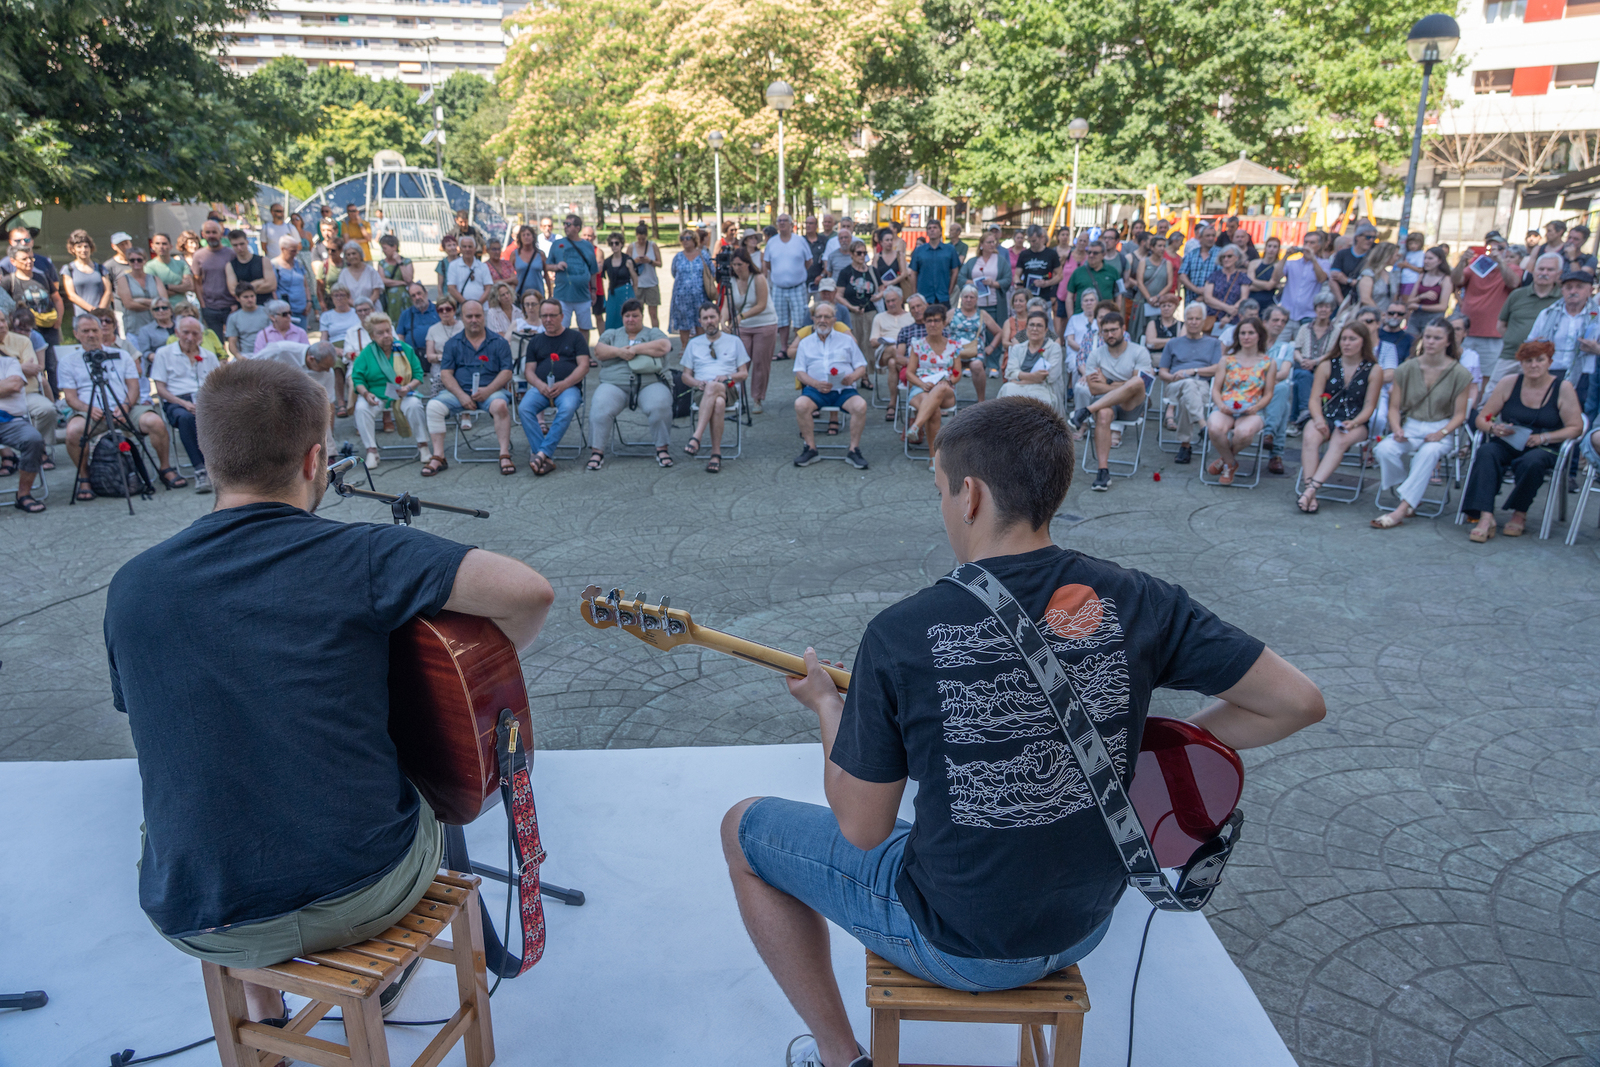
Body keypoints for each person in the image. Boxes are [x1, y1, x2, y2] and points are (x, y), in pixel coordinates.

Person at [728, 398, 1325, 1067]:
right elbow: (1296, 701)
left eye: (941, 491)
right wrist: (1156, 748)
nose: (945, 507)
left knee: (742, 829)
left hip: (958, 941)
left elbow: (861, 827)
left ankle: (841, 1056)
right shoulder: (1140, 598)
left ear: (972, 494)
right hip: (1084, 923)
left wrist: (825, 708)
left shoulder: (900, 634)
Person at [104, 355, 554, 1026]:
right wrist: (456, 677)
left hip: (195, 908)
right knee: (430, 804)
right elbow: (529, 592)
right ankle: (389, 972)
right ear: (316, 460)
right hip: (359, 892)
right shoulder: (365, 556)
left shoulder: (132, 584)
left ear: (206, 451)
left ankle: (264, 1011)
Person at [1461, 340, 1584, 541]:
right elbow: (1483, 418)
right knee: (1487, 452)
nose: (1533, 365)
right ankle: (1485, 516)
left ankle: (1520, 512)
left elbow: (1576, 427)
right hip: (1511, 440)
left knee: (1532, 462)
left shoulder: (1563, 387)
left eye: (1539, 360)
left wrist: (1544, 437)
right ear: (1521, 363)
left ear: (1549, 362)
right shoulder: (1509, 383)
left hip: (1545, 444)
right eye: (1528, 361)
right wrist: (1494, 427)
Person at [59, 315, 182, 498]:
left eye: (95, 330)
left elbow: (133, 386)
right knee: (73, 431)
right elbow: (70, 397)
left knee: (155, 422)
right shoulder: (68, 361)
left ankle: (165, 468)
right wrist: (88, 409)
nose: (91, 335)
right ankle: (84, 478)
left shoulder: (122, 355)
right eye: (86, 331)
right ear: (76, 334)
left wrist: (125, 405)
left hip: (125, 408)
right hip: (91, 412)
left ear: (102, 332)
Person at [1370, 321, 1473, 529]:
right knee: (1384, 449)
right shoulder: (1407, 368)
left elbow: (1460, 415)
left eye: (1437, 338)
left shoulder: (1460, 373)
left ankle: (1401, 510)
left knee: (1428, 453)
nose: (1431, 342)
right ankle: (1408, 494)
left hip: (1442, 425)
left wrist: (1441, 432)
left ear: (1447, 342)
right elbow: (1394, 407)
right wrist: (1397, 427)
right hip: (1412, 424)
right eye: (1428, 337)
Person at [1296, 322, 1383, 514]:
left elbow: (1370, 406)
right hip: (1326, 414)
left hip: (1354, 420)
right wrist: (1318, 419)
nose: (1347, 343)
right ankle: (1311, 493)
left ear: (1363, 342)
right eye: (1344, 339)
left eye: (1352, 339)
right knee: (1310, 435)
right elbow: (1314, 399)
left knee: (1340, 439)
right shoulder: (1327, 365)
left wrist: (1355, 422)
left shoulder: (1374, 370)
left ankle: (1310, 490)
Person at [424, 300, 516, 477]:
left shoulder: (499, 342)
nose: (474, 320)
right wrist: (461, 396)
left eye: (478, 315)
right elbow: (446, 374)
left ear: (484, 317)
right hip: (459, 392)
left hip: (491, 391)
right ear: (462, 318)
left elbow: (506, 372)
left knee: (500, 405)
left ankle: (504, 453)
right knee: (433, 407)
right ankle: (438, 456)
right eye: (469, 316)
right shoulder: (453, 343)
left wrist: (488, 390)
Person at [586, 298, 674, 471]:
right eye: (627, 316)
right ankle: (597, 451)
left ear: (642, 316)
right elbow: (599, 351)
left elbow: (664, 346)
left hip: (649, 383)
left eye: (635, 315)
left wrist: (635, 349)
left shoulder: (653, 333)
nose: (631, 319)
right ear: (622, 317)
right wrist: (620, 352)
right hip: (615, 384)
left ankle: (662, 448)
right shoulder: (611, 333)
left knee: (660, 405)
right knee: (600, 405)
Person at [1068, 312, 1151, 492]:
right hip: (1105, 403)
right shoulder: (1096, 355)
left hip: (1132, 404)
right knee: (1104, 414)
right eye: (1105, 331)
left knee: (1137, 382)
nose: (1110, 335)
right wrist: (1122, 385)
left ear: (1123, 329)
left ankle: (1086, 411)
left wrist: (1107, 382)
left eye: (1114, 330)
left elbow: (1140, 386)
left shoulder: (1138, 351)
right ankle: (1103, 471)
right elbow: (1093, 389)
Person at [789, 301, 869, 471]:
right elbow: (800, 372)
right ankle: (810, 448)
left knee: (860, 406)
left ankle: (854, 450)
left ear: (834, 319)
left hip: (843, 389)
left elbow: (862, 366)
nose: (822, 320)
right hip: (815, 390)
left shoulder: (846, 340)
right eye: (819, 316)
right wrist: (815, 383)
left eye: (827, 316)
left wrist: (853, 376)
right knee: (800, 404)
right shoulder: (805, 342)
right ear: (813, 318)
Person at [674, 302, 748, 474]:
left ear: (719, 318)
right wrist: (697, 383)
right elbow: (685, 376)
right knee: (719, 403)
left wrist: (729, 377)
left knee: (715, 387)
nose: (709, 321)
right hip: (702, 390)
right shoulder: (694, 343)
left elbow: (743, 374)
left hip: (728, 387)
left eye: (712, 317)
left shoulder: (734, 341)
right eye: (705, 318)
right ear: (700, 321)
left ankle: (696, 437)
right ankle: (716, 454)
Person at [519, 298, 590, 474]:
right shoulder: (535, 341)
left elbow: (584, 365)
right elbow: (529, 371)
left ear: (562, 316)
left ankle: (541, 454)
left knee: (567, 407)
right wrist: (540, 385)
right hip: (541, 388)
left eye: (552, 315)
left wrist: (565, 383)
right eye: (544, 316)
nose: (548, 319)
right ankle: (544, 456)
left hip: (569, 388)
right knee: (524, 408)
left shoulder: (575, 337)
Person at [150, 316, 220, 493]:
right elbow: (160, 389)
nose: (190, 337)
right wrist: (184, 403)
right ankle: (200, 469)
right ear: (177, 333)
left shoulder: (209, 356)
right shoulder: (164, 354)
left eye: (195, 333)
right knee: (186, 417)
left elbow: (217, 386)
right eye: (186, 332)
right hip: (176, 401)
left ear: (201, 336)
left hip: (204, 400)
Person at [350, 312, 429, 468]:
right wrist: (366, 394)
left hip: (403, 393)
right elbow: (357, 379)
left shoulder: (405, 349)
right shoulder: (367, 353)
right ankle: (372, 451)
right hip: (376, 396)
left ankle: (423, 446)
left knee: (414, 405)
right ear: (372, 336)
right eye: (380, 333)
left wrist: (408, 387)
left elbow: (419, 375)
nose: (386, 335)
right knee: (361, 408)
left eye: (388, 331)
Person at [1204, 319, 1276, 484]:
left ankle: (1225, 460)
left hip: (1252, 409)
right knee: (1214, 428)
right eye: (1243, 333)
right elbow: (1216, 389)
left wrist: (1256, 407)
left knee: (1243, 433)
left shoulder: (1268, 363)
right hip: (1226, 406)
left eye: (1251, 333)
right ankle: (1230, 463)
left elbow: (1269, 393)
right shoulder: (1226, 360)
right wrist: (1221, 405)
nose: (1246, 337)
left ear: (1259, 336)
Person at [1158, 303, 1222, 465]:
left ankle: (1185, 446)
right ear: (1185, 320)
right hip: (1175, 386)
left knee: (1190, 390)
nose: (1193, 322)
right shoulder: (1173, 343)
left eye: (1197, 318)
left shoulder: (1213, 343)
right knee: (1188, 386)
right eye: (1190, 318)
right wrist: (1174, 377)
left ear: (1203, 321)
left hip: (1201, 386)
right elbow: (1162, 371)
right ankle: (1202, 424)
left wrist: (1193, 371)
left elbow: (1217, 368)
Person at [1451, 233, 1521, 378]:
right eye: (1490, 247)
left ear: (1506, 251)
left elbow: (1513, 283)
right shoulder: (1476, 264)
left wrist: (1501, 262)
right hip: (1467, 332)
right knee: (1458, 373)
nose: (1494, 251)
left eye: (1499, 248)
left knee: (1487, 376)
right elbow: (1457, 280)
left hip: (1492, 334)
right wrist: (1462, 261)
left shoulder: (1512, 268)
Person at [1490, 253, 1564, 388]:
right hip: (1511, 355)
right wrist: (1513, 340)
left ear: (1559, 274)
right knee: (1492, 395)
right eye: (1541, 269)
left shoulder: (1562, 300)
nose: (1544, 273)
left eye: (1550, 270)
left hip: (1542, 361)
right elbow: (1501, 325)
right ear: (1534, 271)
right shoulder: (1517, 295)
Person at [903, 303, 961, 466]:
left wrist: (949, 381)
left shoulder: (953, 345)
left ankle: (916, 426)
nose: (932, 324)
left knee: (941, 387)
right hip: (921, 389)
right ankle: (933, 459)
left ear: (944, 323)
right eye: (929, 321)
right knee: (933, 410)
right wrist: (922, 384)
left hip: (946, 391)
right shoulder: (918, 344)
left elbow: (957, 372)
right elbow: (909, 373)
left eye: (936, 320)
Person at [1525, 269, 1600, 395]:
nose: (1573, 291)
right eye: (1568, 287)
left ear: (1590, 291)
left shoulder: (1597, 315)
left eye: (1579, 287)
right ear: (1562, 291)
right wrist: (1538, 345)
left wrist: (1596, 349)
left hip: (1585, 375)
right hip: (1550, 372)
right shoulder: (1547, 314)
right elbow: (1530, 344)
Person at [0, 324, 47, 512]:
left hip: (11, 420)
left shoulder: (9, 362)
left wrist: (7, 385)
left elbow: (13, 385)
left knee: (33, 439)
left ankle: (23, 494)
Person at [727, 249, 777, 415]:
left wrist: (742, 316)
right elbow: (727, 303)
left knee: (760, 362)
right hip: (743, 326)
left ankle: (757, 398)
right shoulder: (732, 280)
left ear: (748, 263)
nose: (736, 268)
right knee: (740, 362)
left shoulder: (758, 278)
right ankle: (738, 398)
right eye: (733, 264)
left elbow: (761, 304)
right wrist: (723, 320)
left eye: (739, 264)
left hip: (764, 323)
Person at [1289, 291, 1341, 429]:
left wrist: (1315, 362)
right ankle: (1305, 412)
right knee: (1303, 375)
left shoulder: (1336, 330)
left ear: (1331, 309)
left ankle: (1299, 417)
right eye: (1320, 306)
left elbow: (1333, 352)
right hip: (1303, 364)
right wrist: (1302, 361)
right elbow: (1296, 349)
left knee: (1305, 378)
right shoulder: (1304, 328)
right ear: (1315, 308)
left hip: (1323, 365)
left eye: (1327, 307)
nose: (1323, 310)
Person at [766, 213, 815, 354]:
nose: (782, 223)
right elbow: (768, 263)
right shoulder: (772, 242)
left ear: (790, 224)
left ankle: (797, 347)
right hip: (779, 287)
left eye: (784, 221)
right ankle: (783, 348)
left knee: (799, 319)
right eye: (779, 221)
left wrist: (796, 273)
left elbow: (809, 261)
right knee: (781, 320)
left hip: (797, 287)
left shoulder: (799, 241)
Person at [996, 309, 1061, 408]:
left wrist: (1021, 380)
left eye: (1039, 325)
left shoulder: (1054, 348)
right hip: (1017, 386)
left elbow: (1050, 377)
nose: (1034, 329)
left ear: (1046, 330)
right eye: (1031, 325)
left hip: (1043, 387)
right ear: (1026, 328)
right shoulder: (1017, 348)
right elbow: (1010, 373)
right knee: (1007, 390)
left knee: (1043, 403)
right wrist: (1036, 376)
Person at [547, 214, 598, 336]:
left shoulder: (587, 246)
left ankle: (584, 352)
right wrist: (556, 267)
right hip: (563, 295)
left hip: (583, 296)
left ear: (577, 228)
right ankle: (563, 353)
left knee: (584, 327)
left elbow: (593, 271)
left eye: (568, 224)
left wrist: (594, 291)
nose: (565, 226)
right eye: (565, 224)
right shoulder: (556, 244)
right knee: (561, 328)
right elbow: (547, 265)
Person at [869, 286, 914, 419]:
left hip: (907, 352)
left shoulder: (911, 316)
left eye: (893, 300)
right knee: (894, 349)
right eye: (887, 301)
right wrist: (887, 341)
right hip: (884, 351)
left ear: (901, 300)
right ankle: (909, 373)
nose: (890, 304)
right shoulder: (879, 317)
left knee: (893, 363)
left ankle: (892, 403)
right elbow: (872, 342)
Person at [3, 247, 64, 346]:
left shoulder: (42, 277)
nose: (29, 261)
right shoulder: (8, 281)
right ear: (13, 261)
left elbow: (57, 299)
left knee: (51, 360)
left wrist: (59, 319)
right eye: (24, 259)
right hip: (23, 331)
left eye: (31, 258)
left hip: (48, 329)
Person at [1274, 230, 1336, 325]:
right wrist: (1285, 256)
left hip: (1309, 315)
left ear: (1318, 246)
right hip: (1287, 314)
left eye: (1312, 243)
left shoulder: (1324, 263)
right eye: (1306, 242)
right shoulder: (1292, 262)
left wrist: (1313, 259)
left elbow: (1321, 278)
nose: (1308, 245)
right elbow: (1276, 278)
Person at [669, 229, 716, 347]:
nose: (685, 241)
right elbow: (674, 272)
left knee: (700, 321)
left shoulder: (703, 255)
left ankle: (701, 345)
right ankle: (685, 346)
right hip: (682, 297)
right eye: (682, 239)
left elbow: (712, 272)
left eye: (688, 238)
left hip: (701, 296)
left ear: (694, 240)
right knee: (683, 324)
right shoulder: (678, 257)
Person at [835, 240, 880, 362]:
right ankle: (857, 374)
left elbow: (883, 289)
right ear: (851, 254)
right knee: (855, 344)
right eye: (859, 253)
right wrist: (851, 307)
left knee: (869, 346)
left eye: (864, 253)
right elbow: (838, 295)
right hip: (853, 314)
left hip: (870, 312)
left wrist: (878, 296)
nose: (862, 256)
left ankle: (866, 376)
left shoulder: (872, 271)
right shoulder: (845, 272)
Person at [115, 247, 168, 338]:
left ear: (145, 261)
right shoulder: (123, 280)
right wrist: (155, 305)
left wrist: (141, 300)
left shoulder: (155, 279)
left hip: (157, 328)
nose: (136, 262)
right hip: (134, 329)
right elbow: (129, 304)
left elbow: (165, 302)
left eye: (139, 260)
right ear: (128, 262)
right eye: (132, 260)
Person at [63, 230, 112, 323]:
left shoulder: (101, 268)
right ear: (73, 249)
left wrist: (100, 311)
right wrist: (92, 310)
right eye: (79, 247)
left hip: (103, 317)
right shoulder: (68, 269)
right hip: (82, 317)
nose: (83, 250)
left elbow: (108, 291)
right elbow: (72, 295)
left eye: (86, 246)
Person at [909, 220, 962, 308]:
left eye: (935, 228)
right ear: (927, 232)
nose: (932, 230)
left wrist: (950, 291)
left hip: (943, 295)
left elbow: (955, 271)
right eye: (929, 228)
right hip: (924, 295)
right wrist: (915, 294)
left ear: (940, 231)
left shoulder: (949, 250)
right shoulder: (919, 250)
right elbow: (913, 273)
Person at [1066, 240, 1120, 322]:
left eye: (1095, 253)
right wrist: (1071, 319)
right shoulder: (1078, 272)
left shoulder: (1113, 271)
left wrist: (1116, 316)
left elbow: (1119, 296)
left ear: (1103, 254)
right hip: (1081, 318)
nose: (1091, 255)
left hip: (1105, 318)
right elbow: (1069, 296)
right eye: (1089, 252)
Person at [1405, 246, 1453, 337]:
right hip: (1416, 317)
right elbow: (1409, 301)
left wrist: (1419, 306)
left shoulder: (1446, 279)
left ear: (1440, 261)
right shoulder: (1422, 276)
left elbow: (1443, 306)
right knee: (1409, 342)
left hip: (1433, 318)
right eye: (1425, 258)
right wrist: (1421, 297)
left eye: (1430, 258)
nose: (1426, 261)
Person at [225, 228, 276, 312]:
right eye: (235, 245)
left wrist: (243, 290)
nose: (239, 248)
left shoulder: (263, 261)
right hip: (245, 310)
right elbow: (233, 290)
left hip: (266, 306)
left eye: (242, 244)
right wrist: (258, 282)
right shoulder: (230, 266)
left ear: (247, 242)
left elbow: (272, 285)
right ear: (231, 245)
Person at [1202, 245, 1250, 333]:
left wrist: (1229, 316)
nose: (1226, 259)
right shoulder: (1214, 276)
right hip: (1214, 318)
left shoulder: (1242, 277)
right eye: (1223, 257)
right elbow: (1208, 298)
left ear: (1237, 258)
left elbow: (1244, 299)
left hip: (1234, 319)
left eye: (1229, 256)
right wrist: (1227, 308)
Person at [600, 233, 638, 331]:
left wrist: (634, 296)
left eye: (616, 243)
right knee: (611, 320)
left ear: (621, 244)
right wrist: (605, 299)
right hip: (612, 293)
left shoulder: (628, 260)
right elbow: (603, 279)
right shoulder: (607, 261)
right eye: (611, 243)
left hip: (626, 291)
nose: (614, 246)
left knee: (627, 318)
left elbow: (635, 279)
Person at [628, 223, 663, 328]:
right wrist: (635, 261)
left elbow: (660, 263)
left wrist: (650, 261)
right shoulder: (631, 247)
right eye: (639, 239)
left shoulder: (653, 245)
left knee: (653, 313)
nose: (641, 241)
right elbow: (626, 264)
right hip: (637, 284)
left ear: (647, 236)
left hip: (651, 283)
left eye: (643, 239)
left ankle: (655, 333)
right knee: (638, 313)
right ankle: (639, 333)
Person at [273, 235, 311, 327]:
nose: (296, 253)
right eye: (292, 251)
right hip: (285, 310)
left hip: (301, 308)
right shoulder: (274, 265)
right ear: (283, 249)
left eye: (296, 250)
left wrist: (309, 301)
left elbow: (305, 285)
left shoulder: (299, 264)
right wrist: (278, 309)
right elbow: (273, 289)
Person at [224, 288, 270, 359]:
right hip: (245, 355)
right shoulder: (233, 317)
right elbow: (232, 342)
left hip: (267, 352)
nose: (250, 300)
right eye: (245, 297)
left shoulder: (267, 312)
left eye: (252, 296)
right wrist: (238, 356)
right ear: (238, 298)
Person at [1329, 222, 1377, 291]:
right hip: (1343, 295)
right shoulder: (1343, 254)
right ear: (1357, 237)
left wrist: (1348, 280)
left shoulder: (1373, 256)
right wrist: (1341, 301)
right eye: (1368, 237)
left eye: (1373, 238)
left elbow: (1373, 283)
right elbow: (1333, 278)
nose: (1371, 240)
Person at [377, 235, 414, 322]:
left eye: (385, 248)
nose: (383, 251)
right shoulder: (382, 263)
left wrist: (399, 262)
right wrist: (401, 283)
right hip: (389, 299)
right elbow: (382, 280)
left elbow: (408, 279)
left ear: (394, 247)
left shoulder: (406, 261)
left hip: (405, 299)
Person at [397, 283, 439, 357]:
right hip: (413, 357)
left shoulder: (439, 310)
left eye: (419, 293)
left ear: (426, 293)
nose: (417, 297)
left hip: (436, 355)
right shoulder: (405, 314)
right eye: (413, 296)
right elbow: (400, 337)